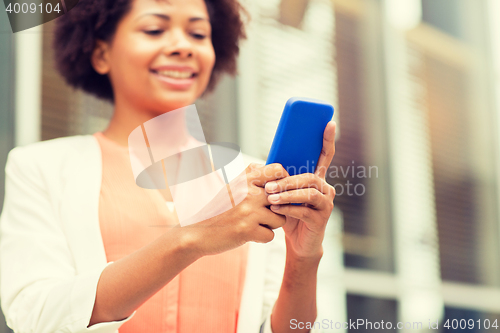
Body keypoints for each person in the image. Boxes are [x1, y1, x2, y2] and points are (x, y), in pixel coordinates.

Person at [0, 0, 337, 332]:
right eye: (154, 29)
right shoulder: (41, 168)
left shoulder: (253, 182)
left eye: (198, 34)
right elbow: (35, 317)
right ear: (102, 54)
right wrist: (192, 238)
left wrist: (303, 259)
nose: (182, 46)